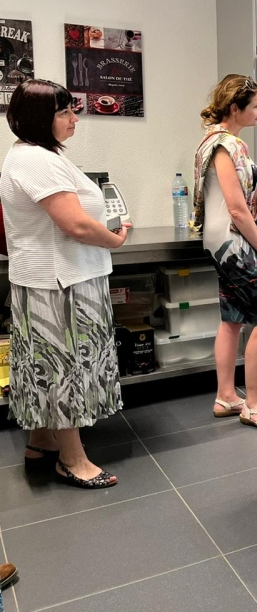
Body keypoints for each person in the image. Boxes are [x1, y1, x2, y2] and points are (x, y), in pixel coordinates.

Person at [0, 79, 129, 488]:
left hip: (52, 277)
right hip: (60, 283)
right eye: (64, 112)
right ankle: (72, 460)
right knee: (64, 368)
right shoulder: (38, 160)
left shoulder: (32, 155)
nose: (74, 118)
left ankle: (41, 442)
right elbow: (75, 224)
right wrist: (115, 239)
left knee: (44, 365)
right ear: (39, 119)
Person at [193, 75, 257, 431]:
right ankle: (254, 404)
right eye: (256, 106)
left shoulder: (211, 141)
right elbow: (236, 207)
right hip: (233, 244)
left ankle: (226, 396)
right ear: (235, 108)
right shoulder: (228, 145)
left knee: (232, 319)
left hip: (219, 241)